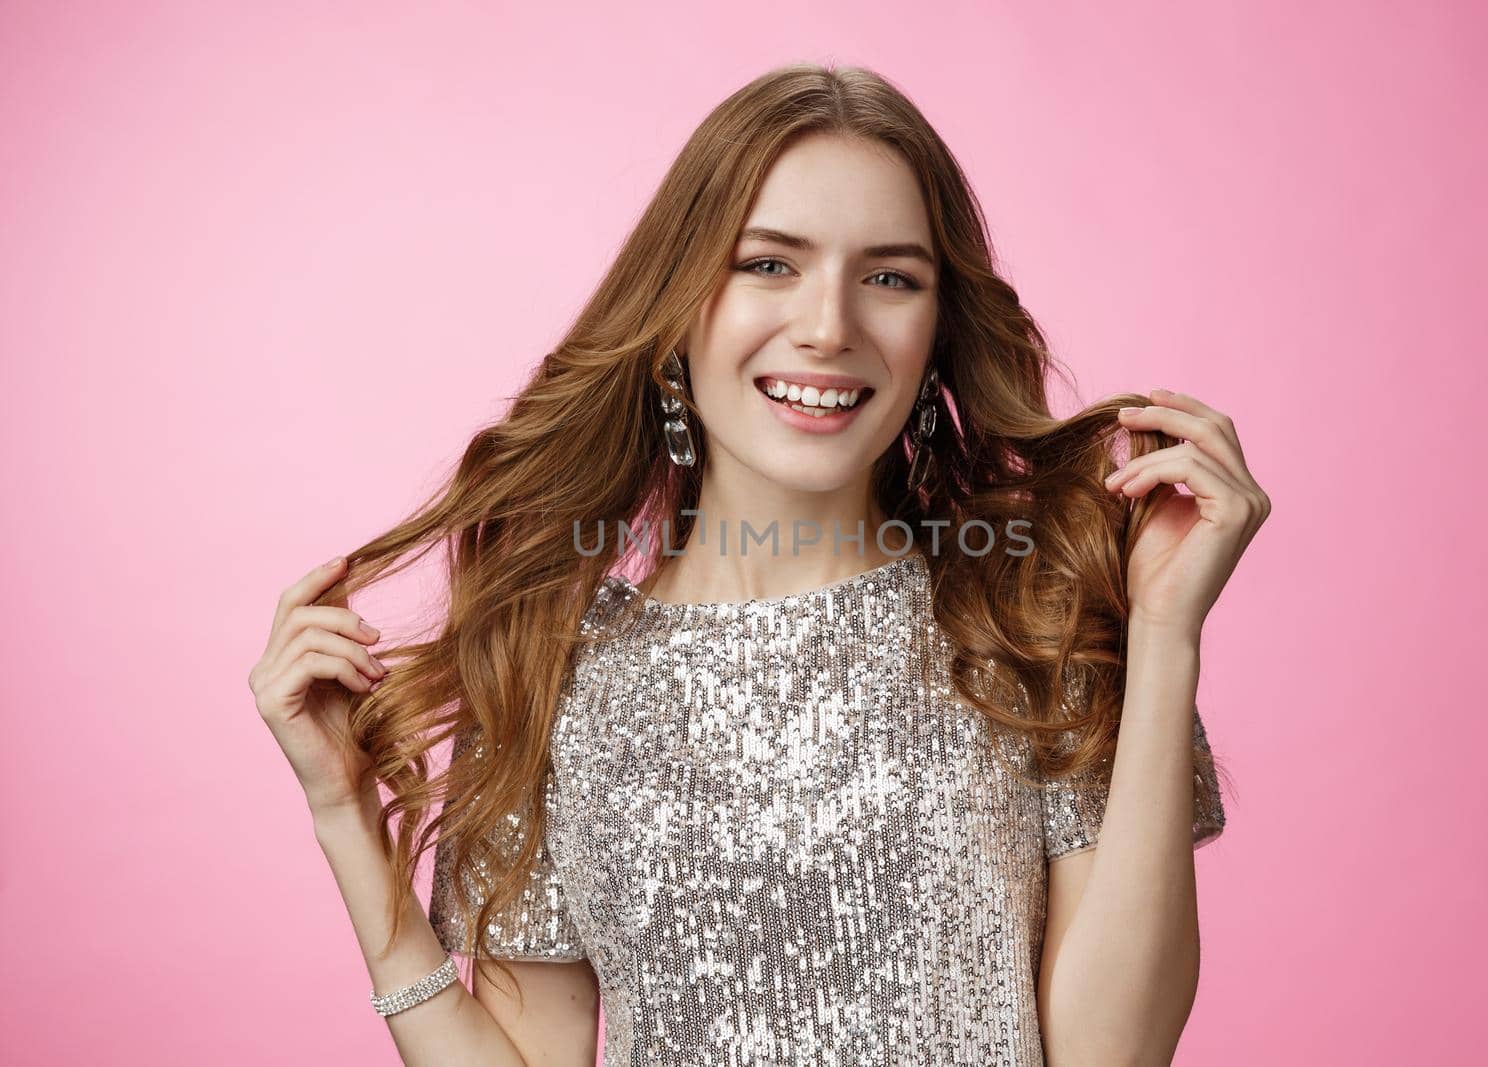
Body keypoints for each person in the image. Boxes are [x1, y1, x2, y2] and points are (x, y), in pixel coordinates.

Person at [249, 62, 1269, 1066]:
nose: (828, 325)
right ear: (678, 308)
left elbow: (1113, 1052)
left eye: (889, 277)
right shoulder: (552, 670)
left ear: (933, 332)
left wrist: (1164, 632)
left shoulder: (1034, 616)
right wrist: (344, 815)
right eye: (768, 263)